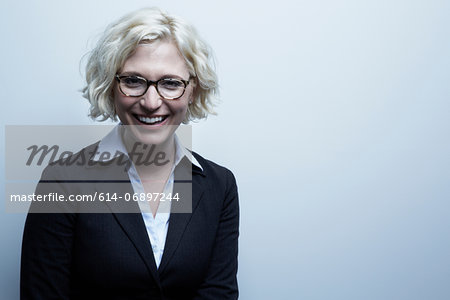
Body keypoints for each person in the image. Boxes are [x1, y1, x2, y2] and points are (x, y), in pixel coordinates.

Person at [20, 7, 239, 300]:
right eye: (133, 81)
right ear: (111, 86)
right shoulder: (62, 181)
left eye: (170, 83)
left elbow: (218, 293)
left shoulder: (219, 185)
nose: (151, 102)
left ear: (192, 92)